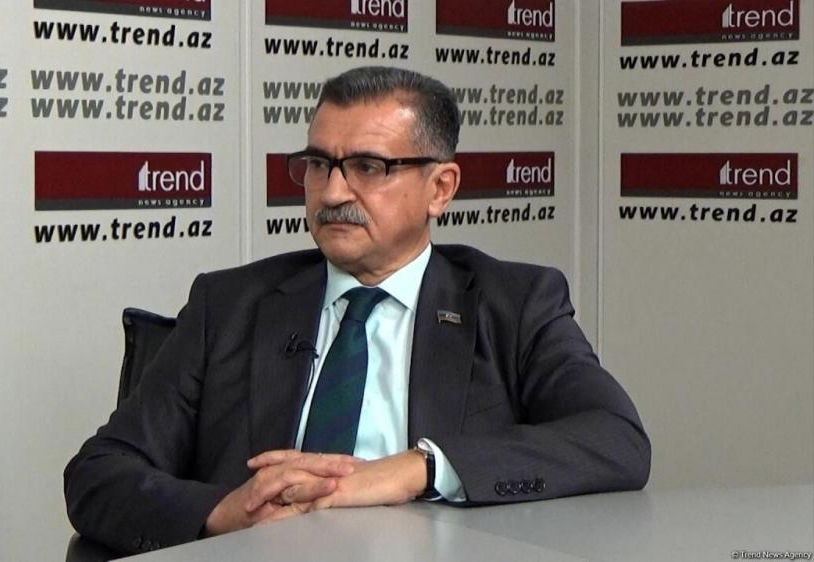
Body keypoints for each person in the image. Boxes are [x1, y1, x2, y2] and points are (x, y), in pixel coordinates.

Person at [64, 66, 650, 555]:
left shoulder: (514, 304)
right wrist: (224, 512)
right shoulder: (230, 305)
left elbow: (615, 439)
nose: (333, 192)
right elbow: (98, 473)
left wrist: (416, 469)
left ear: (440, 189)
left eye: (369, 167)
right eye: (319, 164)